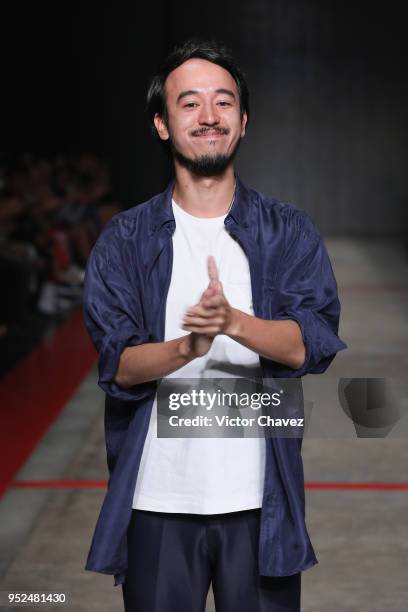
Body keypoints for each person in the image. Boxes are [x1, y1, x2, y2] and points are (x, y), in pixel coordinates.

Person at [83, 39, 347, 612]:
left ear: (243, 121)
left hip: (260, 502)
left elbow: (312, 344)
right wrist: (188, 345)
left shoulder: (288, 231)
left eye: (223, 103)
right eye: (190, 104)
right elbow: (119, 364)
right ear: (161, 123)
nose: (209, 116)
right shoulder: (125, 241)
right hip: (157, 500)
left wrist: (234, 323)